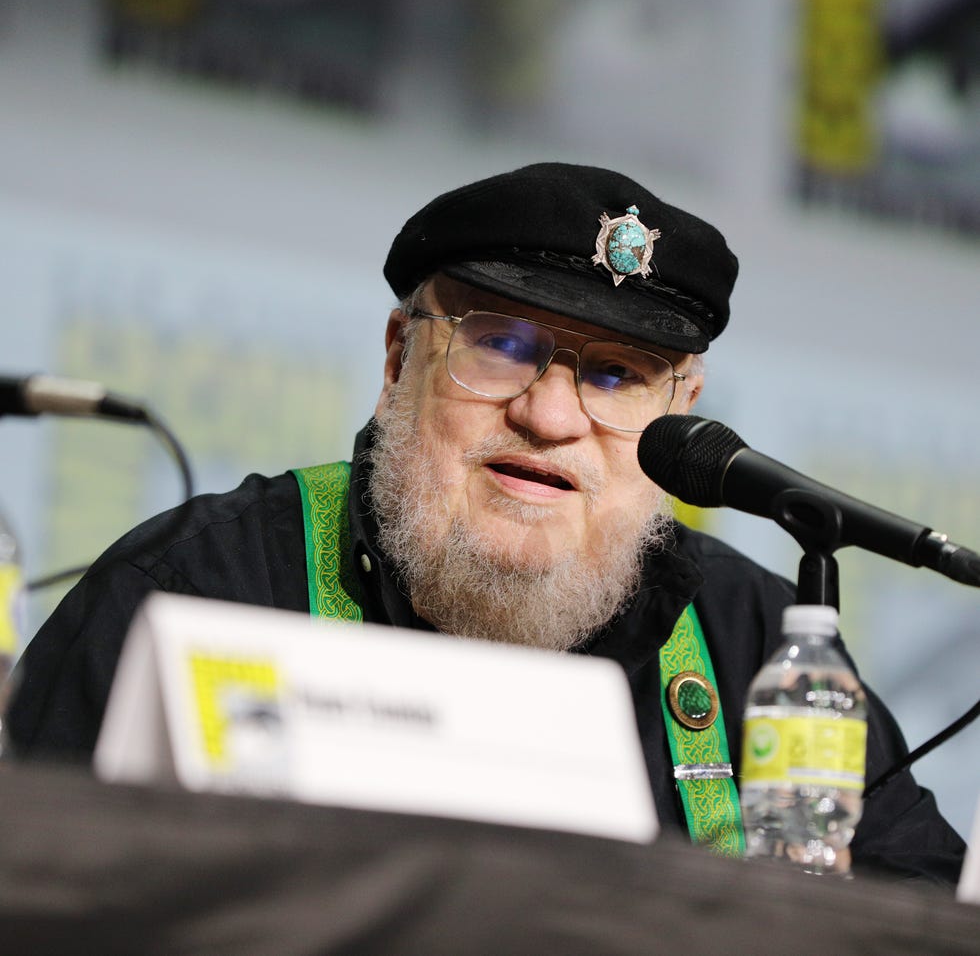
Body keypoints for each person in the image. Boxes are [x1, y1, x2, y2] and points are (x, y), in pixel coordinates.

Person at [5, 163, 965, 885]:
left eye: (616, 377)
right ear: (397, 359)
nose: (551, 420)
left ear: (684, 407)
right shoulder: (199, 591)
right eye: (502, 348)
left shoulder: (759, 653)